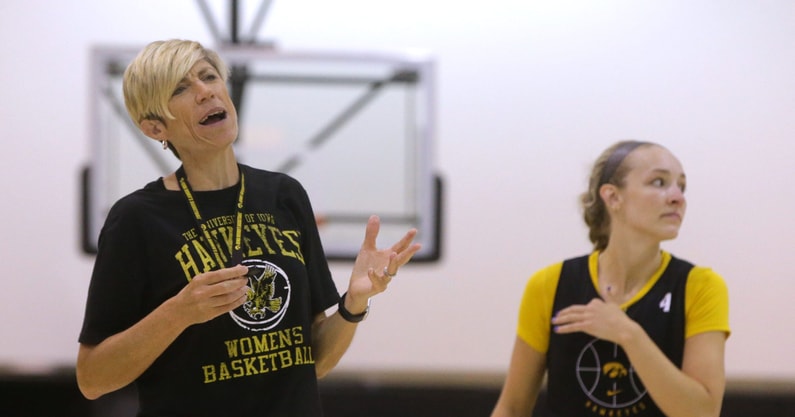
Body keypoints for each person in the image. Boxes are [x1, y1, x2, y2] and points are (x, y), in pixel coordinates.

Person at [76, 39, 422, 417]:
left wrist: (353, 303)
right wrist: (179, 312)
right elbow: (93, 379)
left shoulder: (284, 195)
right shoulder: (136, 219)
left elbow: (315, 362)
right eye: (181, 88)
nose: (205, 91)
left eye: (208, 77)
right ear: (155, 126)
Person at [490, 140, 730, 417]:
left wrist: (628, 334)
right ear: (613, 197)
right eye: (659, 182)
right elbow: (511, 408)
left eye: (682, 186)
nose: (677, 197)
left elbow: (702, 413)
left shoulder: (700, 286)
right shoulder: (550, 284)